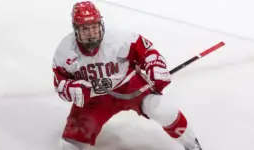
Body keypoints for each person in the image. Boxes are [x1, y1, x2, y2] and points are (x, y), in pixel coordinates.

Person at [52, 1, 202, 150]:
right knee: (70, 145)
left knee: (163, 110)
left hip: (129, 86)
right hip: (94, 99)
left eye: (94, 27)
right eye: (85, 28)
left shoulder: (119, 39)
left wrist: (155, 66)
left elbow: (148, 52)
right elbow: (60, 83)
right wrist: (77, 89)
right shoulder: (65, 51)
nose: (91, 33)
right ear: (76, 29)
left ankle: (192, 145)